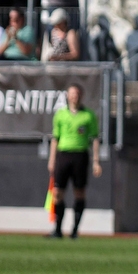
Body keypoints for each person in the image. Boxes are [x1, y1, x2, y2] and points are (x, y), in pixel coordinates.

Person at [48, 84, 101, 238]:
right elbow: (55, 138)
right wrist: (52, 160)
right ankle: (57, 229)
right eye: (71, 94)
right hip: (63, 155)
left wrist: (96, 161)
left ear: (81, 95)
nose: (74, 96)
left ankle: (75, 230)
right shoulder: (60, 114)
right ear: (67, 96)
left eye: (76, 93)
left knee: (79, 192)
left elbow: (95, 138)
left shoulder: (88, 115)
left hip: (80, 155)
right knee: (57, 192)